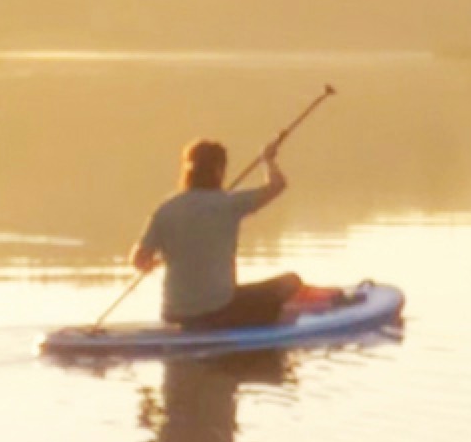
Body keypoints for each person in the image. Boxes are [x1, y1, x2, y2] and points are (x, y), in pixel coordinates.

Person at [129, 134, 331, 329]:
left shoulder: (165, 209)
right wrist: (267, 160)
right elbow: (278, 185)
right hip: (219, 312)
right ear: (218, 170)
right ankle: (311, 308)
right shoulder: (229, 204)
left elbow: (139, 261)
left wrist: (153, 262)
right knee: (290, 282)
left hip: (173, 313)